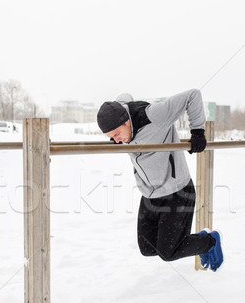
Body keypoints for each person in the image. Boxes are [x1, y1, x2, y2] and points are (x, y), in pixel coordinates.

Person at [96, 89, 224, 271]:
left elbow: (193, 95)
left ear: (126, 122)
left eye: (117, 134)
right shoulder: (121, 114)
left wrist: (197, 132)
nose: (117, 141)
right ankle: (193, 240)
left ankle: (209, 241)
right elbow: (125, 97)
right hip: (149, 194)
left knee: (168, 252)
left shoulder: (155, 116)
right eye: (111, 138)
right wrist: (115, 131)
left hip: (177, 192)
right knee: (147, 248)